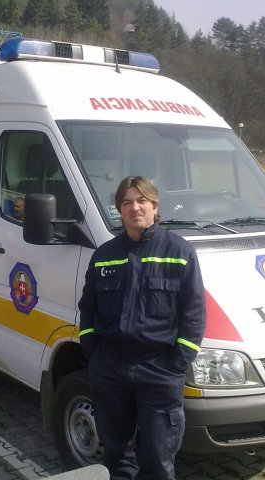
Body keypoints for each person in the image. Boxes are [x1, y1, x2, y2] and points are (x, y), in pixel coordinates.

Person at [78, 176, 206, 480]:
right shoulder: (104, 255)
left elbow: (194, 314)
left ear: (154, 206)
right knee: (116, 457)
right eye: (126, 202)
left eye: (141, 201)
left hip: (159, 369)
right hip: (111, 368)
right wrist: (94, 354)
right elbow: (88, 308)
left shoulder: (179, 252)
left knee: (158, 460)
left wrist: (177, 364)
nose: (134, 207)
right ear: (119, 210)